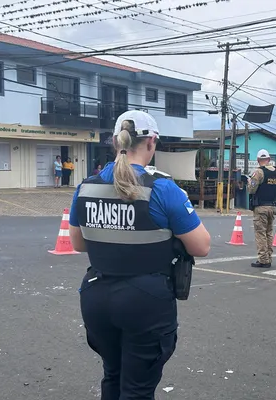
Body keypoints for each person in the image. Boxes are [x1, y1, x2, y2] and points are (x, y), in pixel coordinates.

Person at [67, 110, 211, 400]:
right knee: (138, 389)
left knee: (113, 375)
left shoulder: (86, 187)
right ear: (151, 142)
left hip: (97, 297)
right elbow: (201, 246)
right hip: (145, 302)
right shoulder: (163, 189)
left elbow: (79, 244)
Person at [247, 149, 276, 268]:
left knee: (260, 233)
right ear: (269, 159)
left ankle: (263, 260)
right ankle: (268, 257)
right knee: (269, 233)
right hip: (272, 206)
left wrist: (249, 181)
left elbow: (251, 189)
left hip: (261, 207)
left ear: (257, 160)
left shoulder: (259, 172)